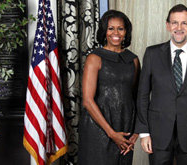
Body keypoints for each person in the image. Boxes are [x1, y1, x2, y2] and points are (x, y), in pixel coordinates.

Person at [135, 4, 187, 165]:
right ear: (167, 25)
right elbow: (142, 95)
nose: (179, 27)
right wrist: (144, 132)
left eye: (184, 23)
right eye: (174, 23)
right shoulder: (152, 54)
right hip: (158, 133)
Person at [78, 10, 140, 165]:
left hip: (124, 127)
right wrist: (111, 134)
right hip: (98, 129)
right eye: (111, 28)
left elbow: (136, 97)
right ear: (104, 31)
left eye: (120, 28)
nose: (116, 33)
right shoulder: (95, 58)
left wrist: (136, 132)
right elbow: (87, 101)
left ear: (126, 31)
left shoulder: (133, 60)